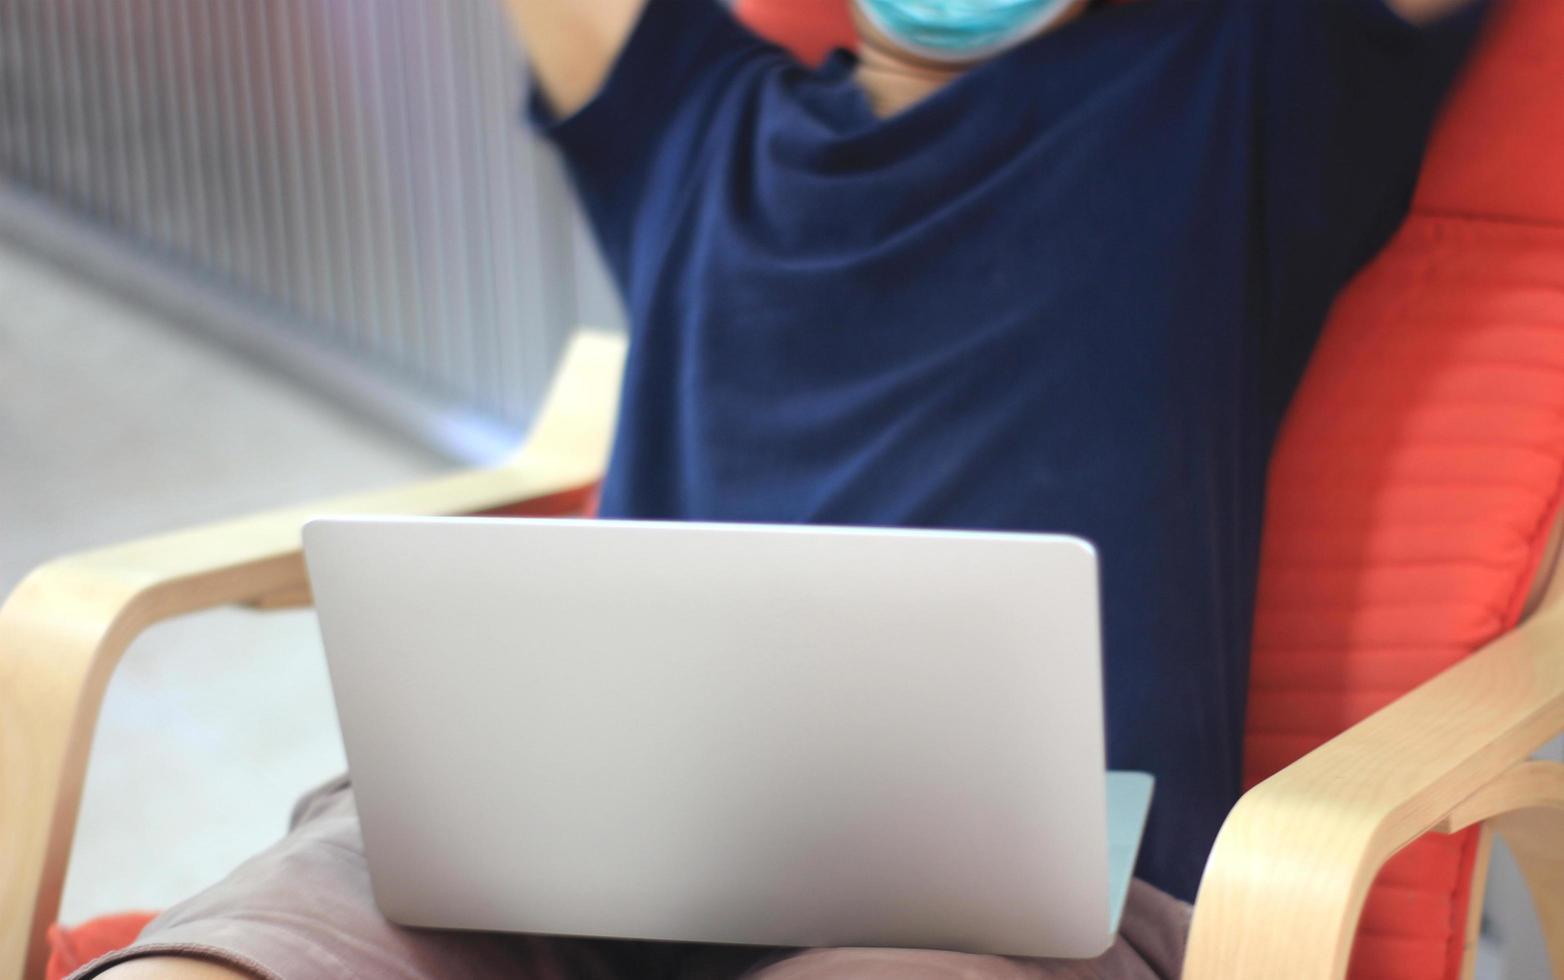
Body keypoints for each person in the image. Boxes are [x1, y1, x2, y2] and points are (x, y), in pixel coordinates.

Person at [79, 0, 1489, 977]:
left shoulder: (1237, 88)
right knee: (251, 941)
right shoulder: (688, 121)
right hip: (567, 869)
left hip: (1007, 920)